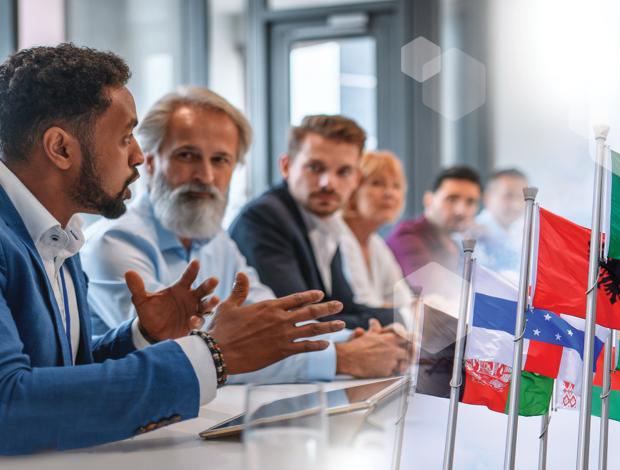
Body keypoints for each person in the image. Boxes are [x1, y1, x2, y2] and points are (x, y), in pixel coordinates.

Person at [0, 44, 344, 455]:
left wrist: (141, 336)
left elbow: (65, 376)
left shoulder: (60, 232)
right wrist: (213, 353)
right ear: (60, 148)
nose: (138, 156)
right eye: (126, 136)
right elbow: (10, 405)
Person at [82, 87, 407, 381]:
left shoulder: (216, 240)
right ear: (150, 161)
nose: (205, 175)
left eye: (221, 160)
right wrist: (342, 357)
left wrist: (358, 341)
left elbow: (271, 322)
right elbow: (182, 354)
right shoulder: (115, 243)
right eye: (187, 156)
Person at [230, 115, 394, 329]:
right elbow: (302, 320)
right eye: (315, 168)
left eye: (343, 172)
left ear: (356, 179)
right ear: (286, 166)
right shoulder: (264, 218)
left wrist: (405, 317)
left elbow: (341, 306)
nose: (328, 183)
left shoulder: (326, 222)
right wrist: (401, 320)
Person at [340, 150, 414, 309]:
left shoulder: (376, 244)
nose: (389, 193)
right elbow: (362, 307)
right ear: (353, 190)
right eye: (377, 183)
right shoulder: (338, 238)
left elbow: (403, 300)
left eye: (396, 186)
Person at [385, 166, 482, 277]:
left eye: (470, 202)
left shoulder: (455, 245)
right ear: (428, 199)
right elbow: (434, 288)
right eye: (451, 199)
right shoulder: (406, 237)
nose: (461, 210)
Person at [473, 168, 528, 276]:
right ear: (487, 197)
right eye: (508, 196)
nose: (516, 204)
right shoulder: (474, 235)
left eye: (522, 197)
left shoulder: (521, 233)